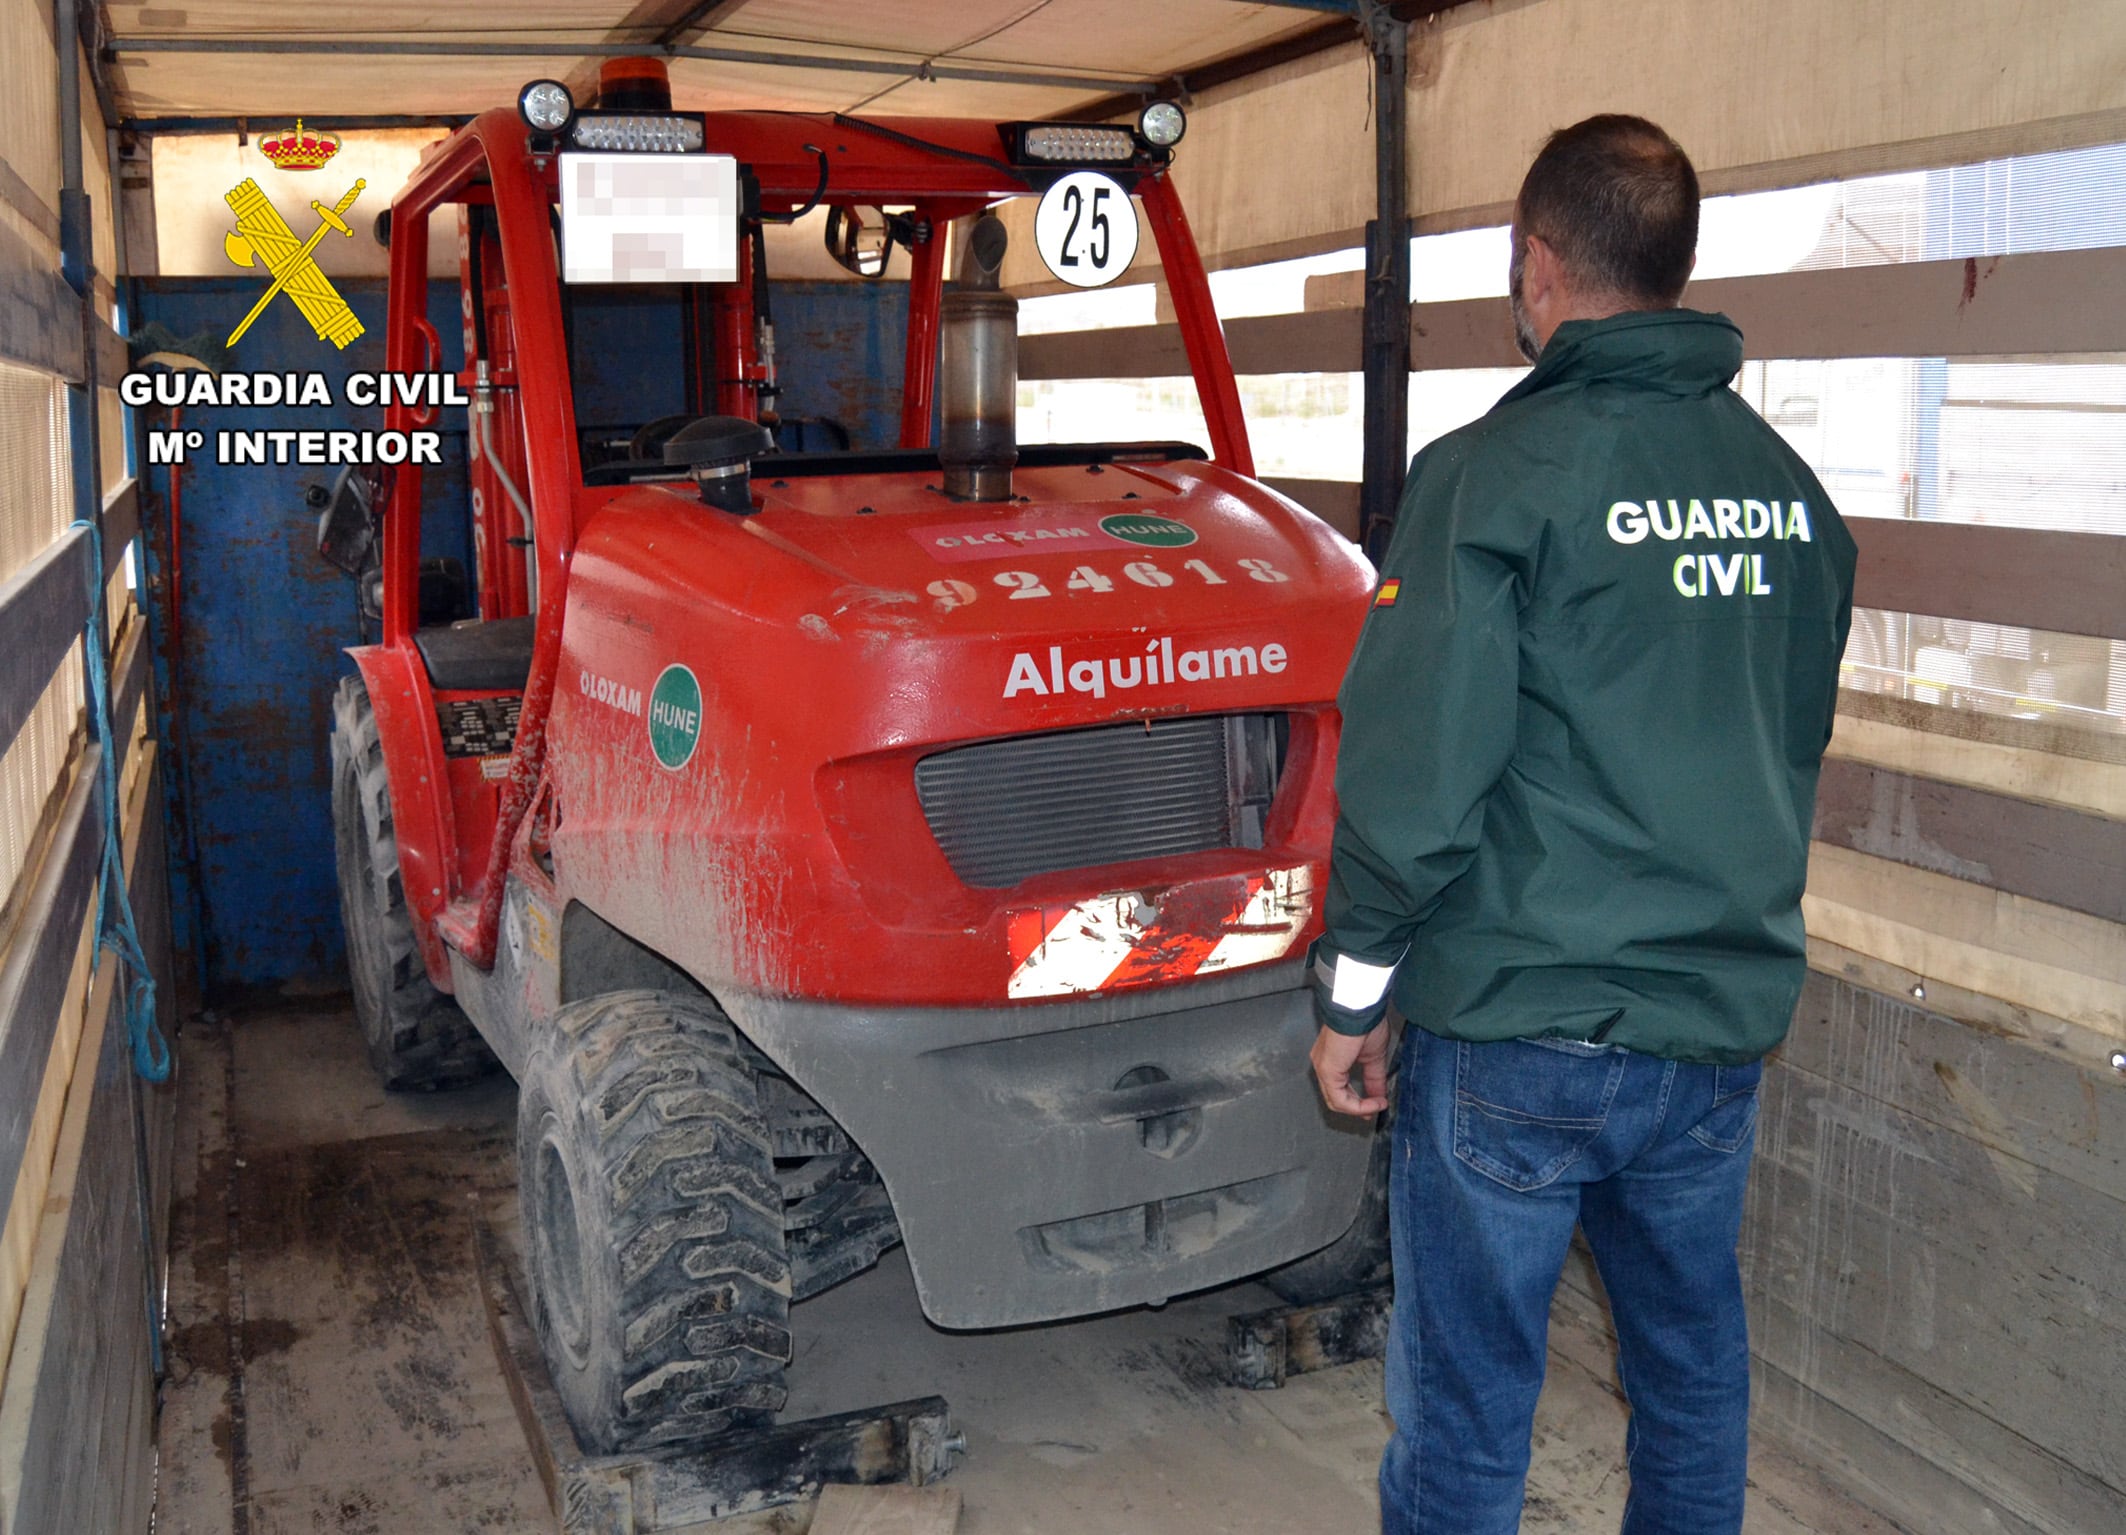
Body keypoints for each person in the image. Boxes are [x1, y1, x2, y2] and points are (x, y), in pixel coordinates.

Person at [1306, 114, 1856, 1535]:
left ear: (1534, 266)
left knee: (1469, 1405)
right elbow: (1783, 746)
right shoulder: (1793, 502)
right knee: (1689, 1374)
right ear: (1673, 268)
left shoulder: (1490, 478)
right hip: (1710, 1031)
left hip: (1518, 1033)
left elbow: (1419, 772)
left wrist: (1354, 986)